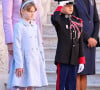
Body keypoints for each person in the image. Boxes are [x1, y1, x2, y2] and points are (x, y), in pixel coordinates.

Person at [7, 0, 48, 90]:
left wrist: (42, 60)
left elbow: (39, 44)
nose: (32, 14)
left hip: (34, 59)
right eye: (29, 11)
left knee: (32, 84)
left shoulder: (35, 26)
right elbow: (17, 46)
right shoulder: (19, 26)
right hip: (24, 59)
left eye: (33, 11)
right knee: (23, 84)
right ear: (22, 11)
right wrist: (19, 64)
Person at [51, 0, 86, 90]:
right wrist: (60, 6)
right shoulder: (59, 19)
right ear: (62, 6)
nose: (71, 7)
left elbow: (80, 41)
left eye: (72, 5)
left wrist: (81, 59)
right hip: (63, 58)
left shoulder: (77, 21)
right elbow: (55, 19)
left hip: (74, 58)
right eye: (68, 5)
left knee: (72, 86)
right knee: (61, 85)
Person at [74, 0, 99, 90]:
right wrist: (88, 38)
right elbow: (74, 22)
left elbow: (96, 20)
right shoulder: (74, 1)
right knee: (77, 73)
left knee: (85, 74)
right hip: (78, 41)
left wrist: (94, 38)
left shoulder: (92, 0)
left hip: (90, 44)